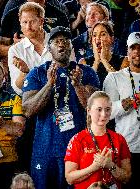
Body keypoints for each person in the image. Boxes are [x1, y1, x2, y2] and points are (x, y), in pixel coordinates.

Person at [22, 26, 100, 189]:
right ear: (48, 47)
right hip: (46, 150)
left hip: (80, 149)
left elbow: (95, 111)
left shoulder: (86, 72)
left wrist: (78, 85)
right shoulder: (38, 73)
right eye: (56, 41)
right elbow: (28, 110)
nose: (61, 44)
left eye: (65, 40)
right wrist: (49, 84)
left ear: (71, 46)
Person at [103, 32, 140, 189]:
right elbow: (106, 113)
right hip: (127, 149)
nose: (136, 52)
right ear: (127, 51)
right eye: (133, 48)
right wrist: (135, 99)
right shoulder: (114, 78)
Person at [65, 91, 131, 189]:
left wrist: (110, 165)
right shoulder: (77, 140)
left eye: (107, 109)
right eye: (99, 109)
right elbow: (69, 178)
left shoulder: (119, 139)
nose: (104, 114)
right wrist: (94, 167)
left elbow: (126, 177)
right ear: (89, 111)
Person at [0, 0, 69, 67]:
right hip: (20, 68)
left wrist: (38, 44)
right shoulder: (12, 14)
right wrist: (17, 46)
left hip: (50, 67)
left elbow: (66, 50)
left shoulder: (60, 16)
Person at [0, 59, 26, 189]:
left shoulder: (14, 99)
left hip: (8, 160)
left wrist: (2, 123)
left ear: (4, 77)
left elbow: (19, 130)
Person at [8, 2, 51, 95]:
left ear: (41, 21)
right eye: (25, 22)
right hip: (30, 100)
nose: (28, 27)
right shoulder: (15, 50)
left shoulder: (59, 42)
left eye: (32, 22)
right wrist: (24, 72)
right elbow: (17, 88)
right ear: (20, 22)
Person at [91, 21, 128, 89]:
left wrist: (104, 60)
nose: (98, 38)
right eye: (94, 35)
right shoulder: (83, 62)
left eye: (103, 34)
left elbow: (122, 87)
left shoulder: (124, 60)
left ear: (111, 39)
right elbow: (85, 89)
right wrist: (96, 62)